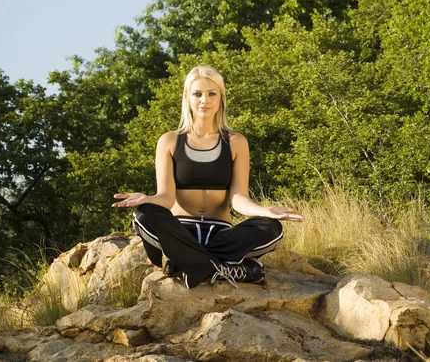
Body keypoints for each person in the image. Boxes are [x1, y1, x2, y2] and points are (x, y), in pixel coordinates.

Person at [112, 65, 303, 288]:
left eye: (212, 94)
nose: (205, 100)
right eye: (198, 94)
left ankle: (190, 264)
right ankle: (225, 268)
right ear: (187, 98)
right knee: (143, 215)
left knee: (272, 229)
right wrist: (147, 199)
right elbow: (165, 197)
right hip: (180, 233)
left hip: (221, 236)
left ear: (221, 99)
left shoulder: (236, 142)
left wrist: (265, 211)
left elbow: (239, 198)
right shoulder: (170, 141)